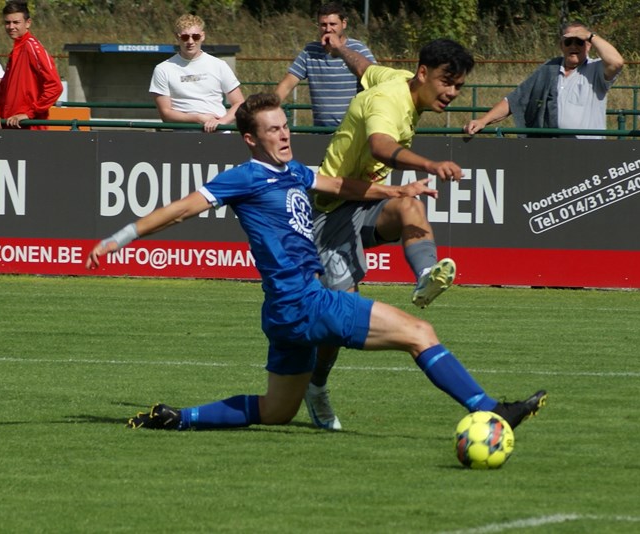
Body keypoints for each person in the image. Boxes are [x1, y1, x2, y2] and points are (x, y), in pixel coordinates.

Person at [85, 93, 547, 432]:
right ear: (250, 139)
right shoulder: (245, 177)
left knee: (276, 411)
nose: (284, 134)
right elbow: (183, 209)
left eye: (285, 125)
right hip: (305, 301)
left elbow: (343, 186)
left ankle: (177, 418)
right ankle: (491, 409)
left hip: (283, 311)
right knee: (419, 333)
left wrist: (398, 191)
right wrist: (121, 237)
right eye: (272, 129)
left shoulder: (294, 172)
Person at [305, 37, 474, 430]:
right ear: (423, 74)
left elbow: (363, 68)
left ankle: (426, 277)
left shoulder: (395, 78)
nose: (452, 93)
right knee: (337, 317)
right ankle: (315, 386)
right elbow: (381, 146)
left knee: (409, 205)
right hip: (327, 214)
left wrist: (338, 47)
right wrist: (429, 164)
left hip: (365, 203)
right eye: (447, 83)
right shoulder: (388, 102)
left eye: (459, 87)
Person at [464, 21, 624, 139]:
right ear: (561, 45)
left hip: (588, 153)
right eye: (568, 41)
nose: (573, 46)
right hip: (552, 151)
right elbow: (515, 99)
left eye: (579, 41)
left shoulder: (596, 69)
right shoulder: (549, 68)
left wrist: (590, 35)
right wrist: (483, 121)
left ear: (588, 46)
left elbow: (616, 62)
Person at [275, 2, 375, 127]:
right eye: (323, 24)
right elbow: (287, 85)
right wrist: (268, 110)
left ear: (344, 24)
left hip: (353, 132)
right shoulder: (310, 51)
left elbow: (375, 79)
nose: (328, 29)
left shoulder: (358, 50)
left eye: (333, 24)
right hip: (321, 131)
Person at [149, 14, 245, 133]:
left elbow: (239, 102)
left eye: (195, 36)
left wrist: (221, 122)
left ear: (202, 36)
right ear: (177, 37)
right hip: (184, 136)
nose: (190, 41)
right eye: (185, 37)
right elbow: (166, 114)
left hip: (219, 134)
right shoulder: (163, 69)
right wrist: (198, 118)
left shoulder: (219, 65)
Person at [0, 1, 62, 130]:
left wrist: (29, 113)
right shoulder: (16, 51)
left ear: (28, 23)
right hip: (10, 127)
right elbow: (3, 91)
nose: (11, 27)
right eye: (7, 22)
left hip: (30, 129)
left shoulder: (32, 47)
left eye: (16, 22)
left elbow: (55, 86)